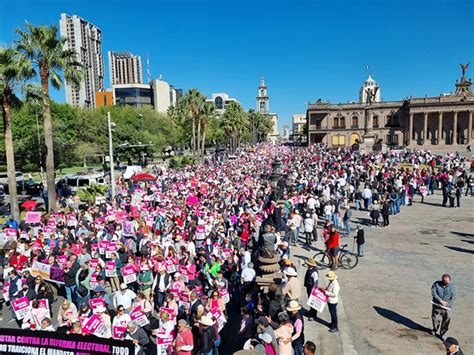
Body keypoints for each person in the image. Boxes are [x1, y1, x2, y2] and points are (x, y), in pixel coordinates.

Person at [431, 274, 456, 338]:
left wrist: (446, 303)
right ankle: (434, 330)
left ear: (450, 280)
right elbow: (433, 293)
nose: (444, 282)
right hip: (437, 305)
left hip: (446, 307)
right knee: (435, 319)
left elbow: (453, 298)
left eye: (446, 281)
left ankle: (442, 334)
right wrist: (440, 301)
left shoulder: (452, 287)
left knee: (446, 320)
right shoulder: (436, 284)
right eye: (443, 280)